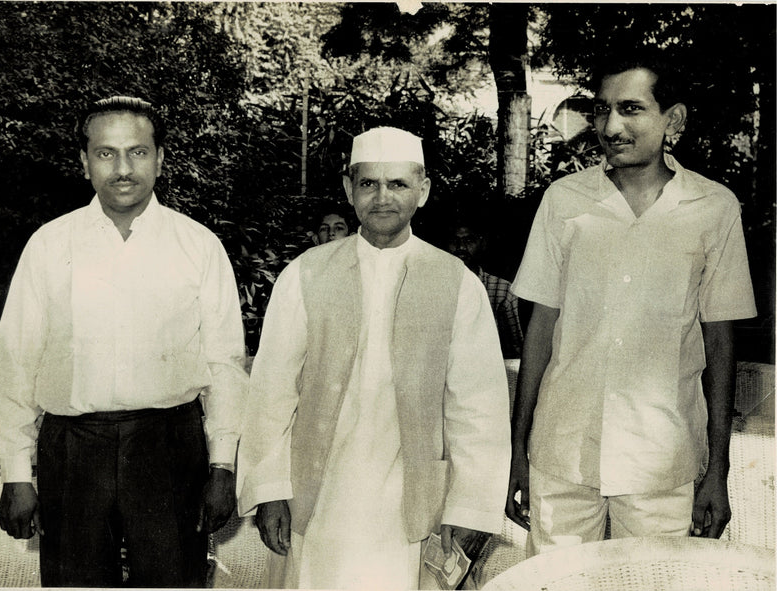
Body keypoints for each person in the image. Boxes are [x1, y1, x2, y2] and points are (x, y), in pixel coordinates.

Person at [505, 52, 757, 557]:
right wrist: (518, 450)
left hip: (660, 463)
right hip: (561, 456)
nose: (611, 126)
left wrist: (719, 470)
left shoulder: (714, 208)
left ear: (673, 119)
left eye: (631, 108)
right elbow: (540, 331)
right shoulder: (564, 200)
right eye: (602, 109)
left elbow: (720, 343)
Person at [237, 126, 510, 589]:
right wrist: (269, 490)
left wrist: (471, 507)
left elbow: (478, 409)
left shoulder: (457, 283)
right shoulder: (305, 274)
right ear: (349, 189)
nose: (382, 197)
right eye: (368, 183)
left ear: (423, 191)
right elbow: (271, 394)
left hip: (410, 503)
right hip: (317, 497)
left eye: (398, 183)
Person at [0, 96, 248, 587]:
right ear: (84, 161)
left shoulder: (198, 245)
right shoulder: (50, 244)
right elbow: (16, 363)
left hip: (169, 446)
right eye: (106, 153)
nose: (123, 168)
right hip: (73, 449)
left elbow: (224, 364)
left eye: (138, 151)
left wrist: (222, 464)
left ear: (161, 159)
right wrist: (17, 475)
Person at [447, 222, 524, 358]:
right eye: (454, 241)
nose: (461, 247)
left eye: (469, 241)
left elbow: (515, 348)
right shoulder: (436, 287)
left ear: (482, 244)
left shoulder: (502, 290)